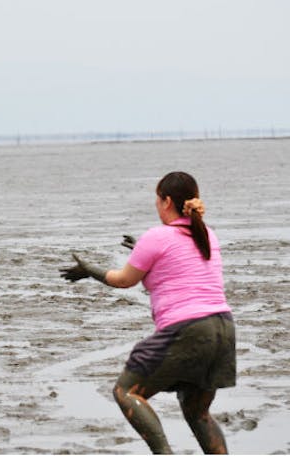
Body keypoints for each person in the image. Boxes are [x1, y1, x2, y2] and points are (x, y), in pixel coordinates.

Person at [60, 171, 235, 454]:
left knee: (126, 391)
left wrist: (89, 270)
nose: (156, 204)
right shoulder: (207, 235)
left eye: (157, 199)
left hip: (187, 329)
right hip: (223, 329)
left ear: (166, 201)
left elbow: (124, 280)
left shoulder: (157, 236)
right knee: (197, 412)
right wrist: (141, 250)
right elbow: (177, 264)